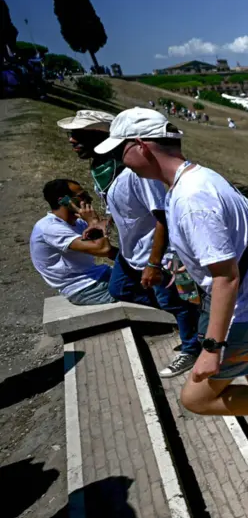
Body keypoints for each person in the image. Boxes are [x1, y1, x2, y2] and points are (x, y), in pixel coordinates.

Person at [96, 107, 248, 464]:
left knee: (196, 398)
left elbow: (225, 277)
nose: (120, 162)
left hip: (247, 307)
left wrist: (211, 346)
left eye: (121, 152)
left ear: (142, 147)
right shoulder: (199, 176)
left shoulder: (192, 199)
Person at [59, 110, 202, 377]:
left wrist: (154, 263)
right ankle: (190, 318)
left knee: (172, 301)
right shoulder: (103, 169)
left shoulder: (135, 172)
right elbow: (124, 205)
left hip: (157, 253)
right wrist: (106, 223)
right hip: (131, 250)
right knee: (121, 287)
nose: (71, 140)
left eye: (77, 135)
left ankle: (193, 346)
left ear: (100, 136)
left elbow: (163, 216)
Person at [30, 179, 116, 305]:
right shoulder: (50, 228)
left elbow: (110, 252)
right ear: (63, 201)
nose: (89, 199)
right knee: (147, 292)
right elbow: (103, 249)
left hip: (98, 276)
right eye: (82, 196)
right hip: (84, 288)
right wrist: (94, 223)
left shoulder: (78, 223)